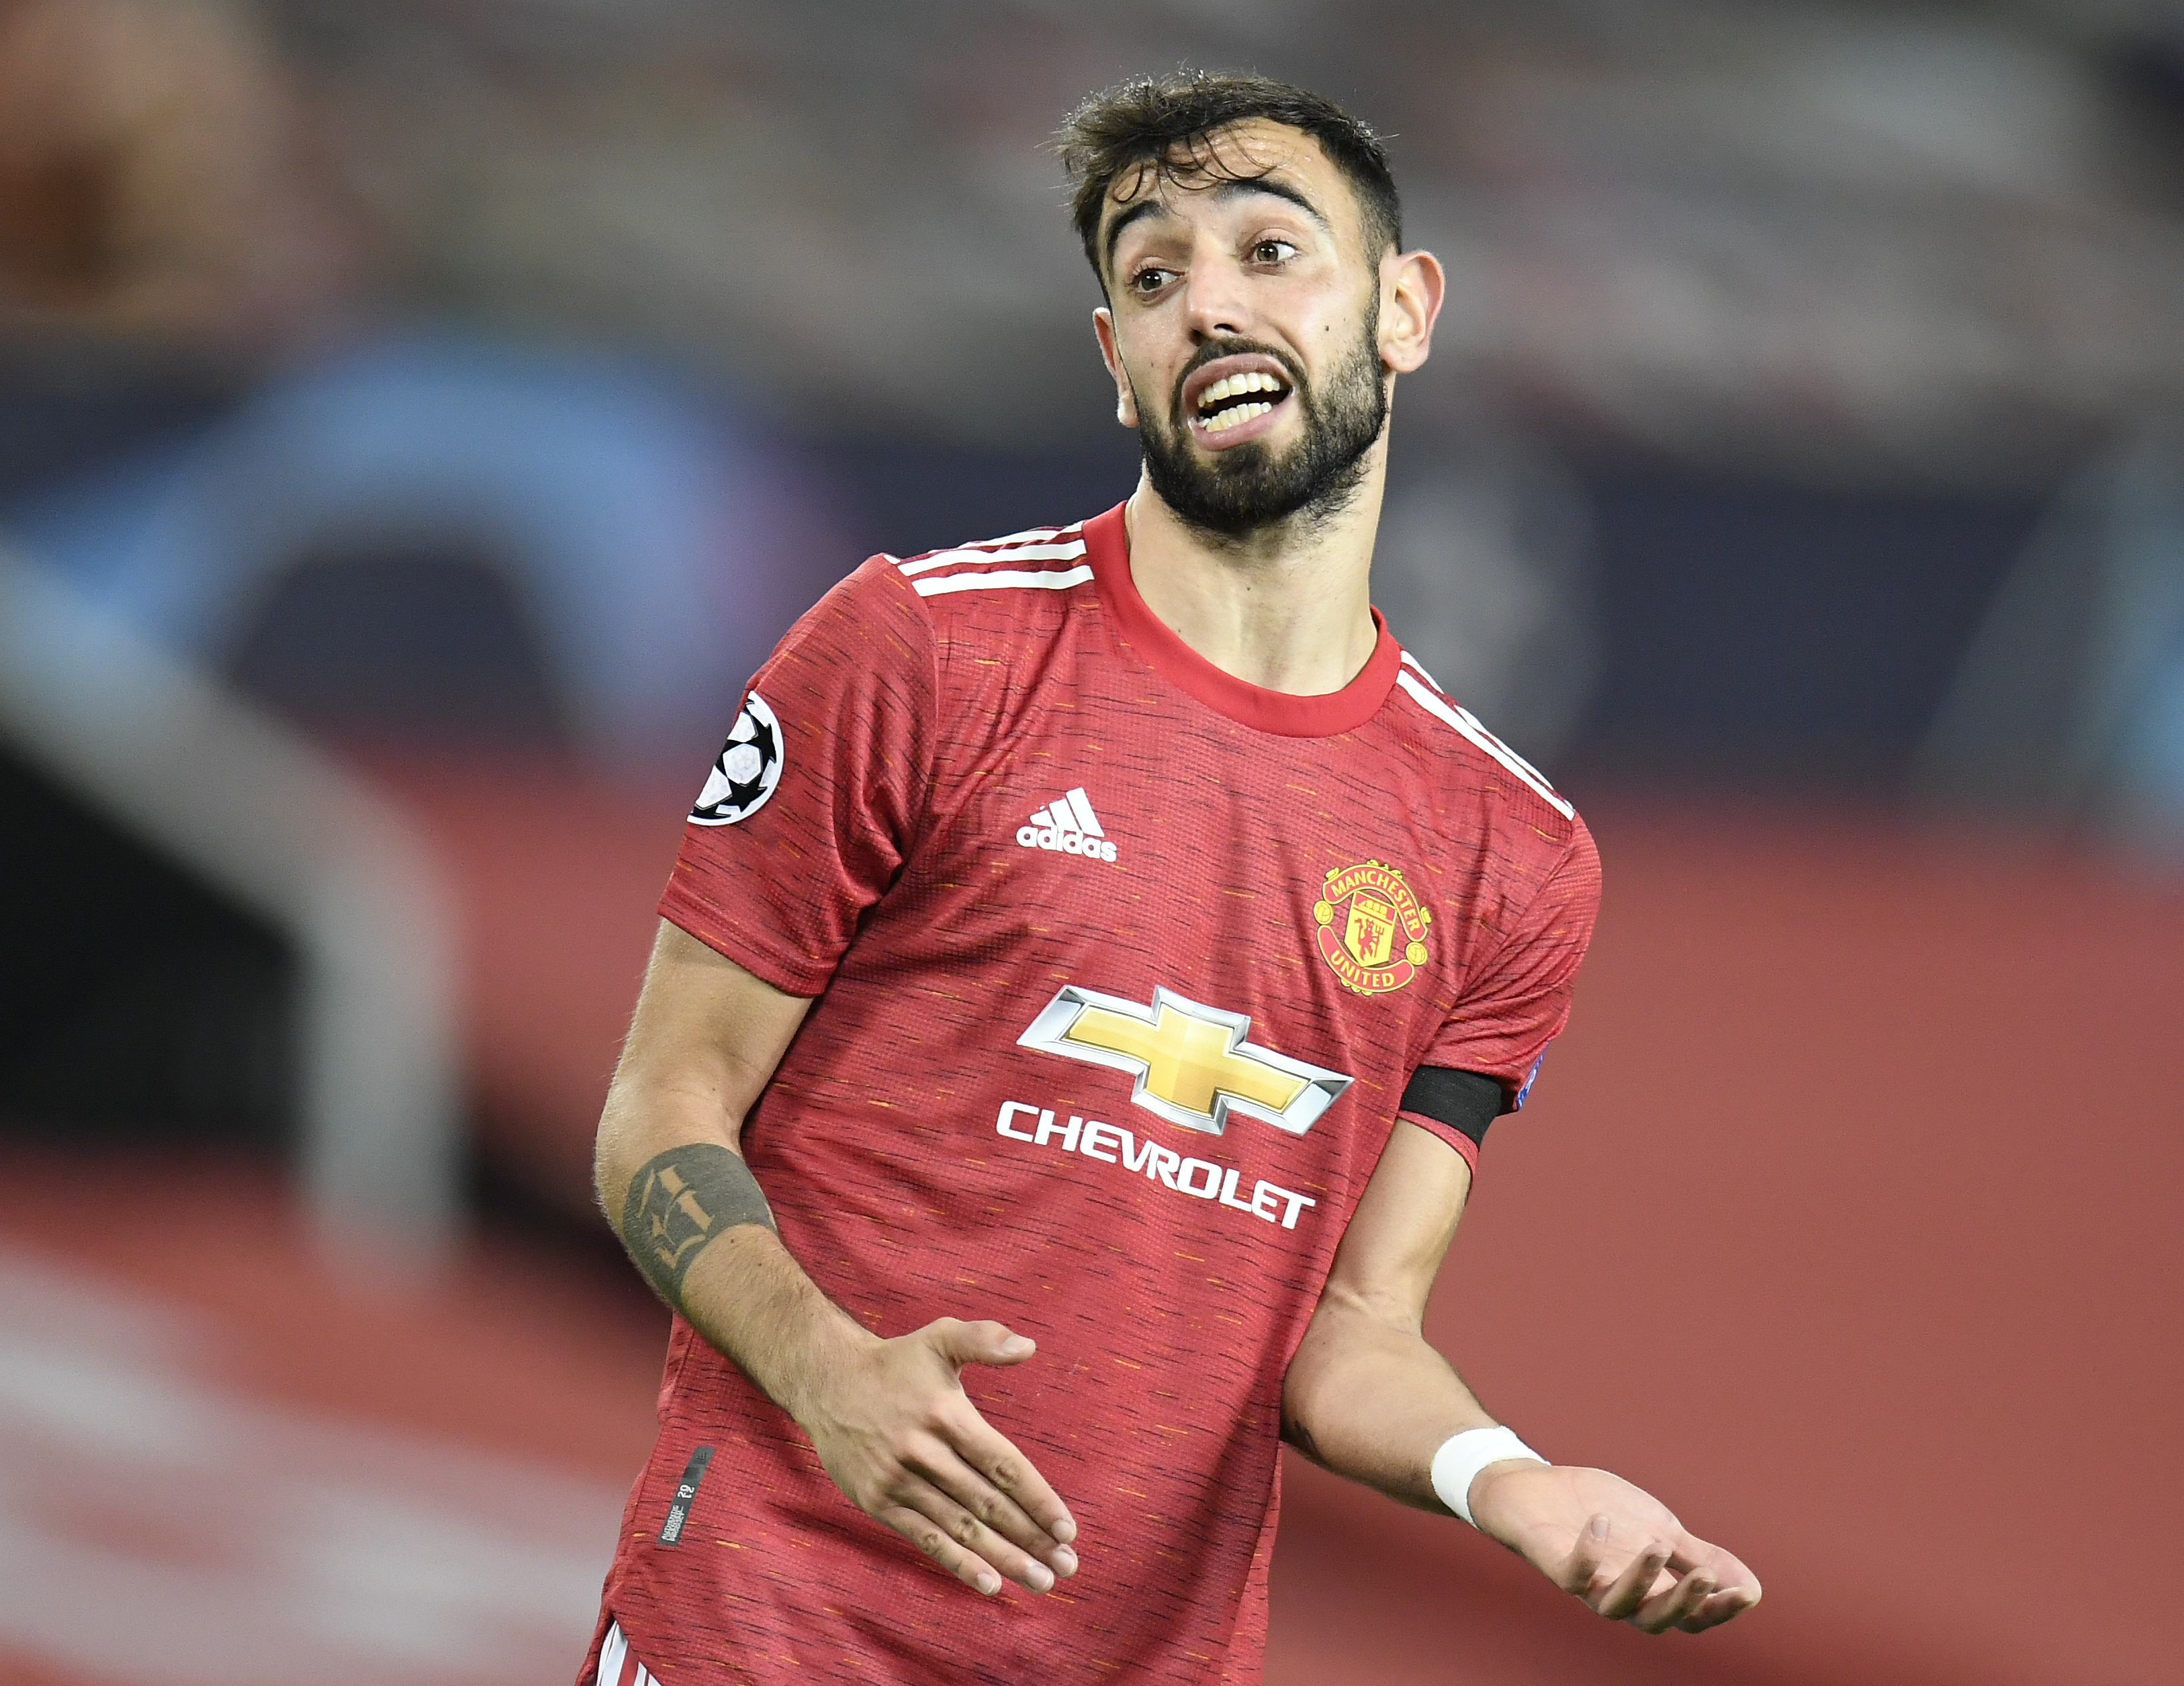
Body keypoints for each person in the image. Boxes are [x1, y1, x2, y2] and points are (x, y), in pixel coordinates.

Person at [582, 68, 1762, 1686]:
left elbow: (1350, 1329)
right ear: (1114, 359)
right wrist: (827, 1371)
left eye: (1270, 250)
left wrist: (1521, 1484)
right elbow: (661, 1109)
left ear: (1405, 309)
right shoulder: (915, 649)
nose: (1207, 303)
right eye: (1153, 277)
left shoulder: (1514, 853)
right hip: (770, 1628)